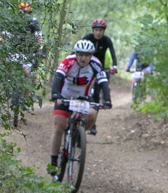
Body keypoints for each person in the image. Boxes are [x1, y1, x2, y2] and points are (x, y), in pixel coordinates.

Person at [48, 40, 111, 175]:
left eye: (87, 55)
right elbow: (58, 78)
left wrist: (107, 100)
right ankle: (53, 161)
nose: (83, 58)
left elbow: (103, 83)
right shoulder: (68, 62)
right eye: (80, 55)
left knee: (92, 115)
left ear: (91, 56)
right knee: (59, 126)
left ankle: (77, 134)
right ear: (76, 54)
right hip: (64, 96)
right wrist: (55, 94)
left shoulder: (95, 64)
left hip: (83, 97)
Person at [82, 19, 117, 134]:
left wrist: (115, 65)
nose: (98, 32)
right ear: (93, 30)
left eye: (100, 30)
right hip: (86, 67)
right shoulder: (87, 38)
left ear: (103, 31)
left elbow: (112, 52)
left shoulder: (106, 40)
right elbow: (77, 50)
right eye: (96, 30)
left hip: (99, 68)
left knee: (96, 95)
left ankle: (92, 124)